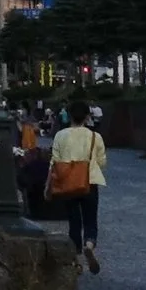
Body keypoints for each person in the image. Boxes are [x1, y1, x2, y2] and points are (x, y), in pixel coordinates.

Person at [50, 100, 108, 274]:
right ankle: (89, 244)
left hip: (68, 182)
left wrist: (49, 183)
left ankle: (74, 260)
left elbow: (54, 161)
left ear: (68, 115)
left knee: (74, 221)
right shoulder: (94, 137)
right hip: (89, 181)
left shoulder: (60, 135)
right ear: (87, 117)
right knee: (91, 218)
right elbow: (102, 162)